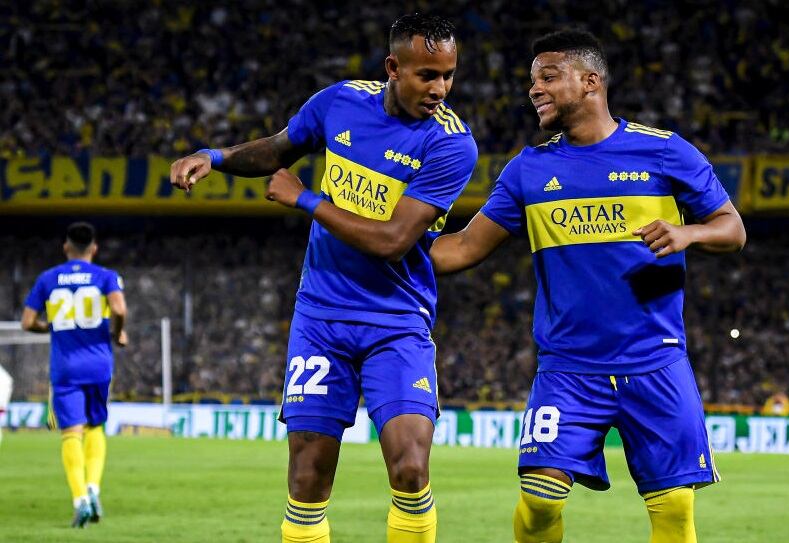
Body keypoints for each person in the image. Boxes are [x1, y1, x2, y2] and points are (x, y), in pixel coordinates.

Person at [169, 13, 477, 543]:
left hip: (396, 321)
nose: (440, 89)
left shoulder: (450, 144)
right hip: (321, 318)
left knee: (410, 466)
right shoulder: (340, 102)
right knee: (307, 477)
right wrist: (213, 155)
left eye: (448, 76)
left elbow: (391, 242)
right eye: (427, 75)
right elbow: (279, 147)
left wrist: (305, 199)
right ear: (392, 67)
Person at [429, 30, 746, 543]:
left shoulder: (666, 153)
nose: (535, 89)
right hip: (569, 368)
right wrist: (386, 247)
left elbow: (733, 229)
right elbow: (462, 248)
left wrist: (689, 232)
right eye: (532, 81)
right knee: (537, 501)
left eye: (548, 77)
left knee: (674, 509)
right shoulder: (528, 170)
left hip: (656, 362)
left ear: (591, 81)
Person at [21, 222, 128, 528]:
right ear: (94, 249)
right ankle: (94, 487)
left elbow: (27, 322)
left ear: (65, 247)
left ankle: (80, 498)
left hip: (65, 366)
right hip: (98, 363)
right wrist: (117, 334)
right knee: (96, 426)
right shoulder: (106, 276)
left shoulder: (48, 278)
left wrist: (49, 327)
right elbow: (119, 310)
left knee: (70, 432)